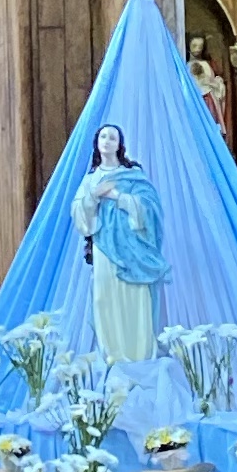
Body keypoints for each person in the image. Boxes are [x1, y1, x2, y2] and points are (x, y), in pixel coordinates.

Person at [72, 119, 169, 363]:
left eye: (112, 137)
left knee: (135, 299)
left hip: (133, 250)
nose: (107, 141)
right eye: (103, 137)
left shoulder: (133, 176)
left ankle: (139, 356)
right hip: (104, 248)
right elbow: (79, 214)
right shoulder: (91, 180)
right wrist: (94, 195)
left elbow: (150, 210)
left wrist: (117, 196)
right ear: (96, 143)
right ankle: (113, 356)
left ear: (120, 145)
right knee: (105, 298)